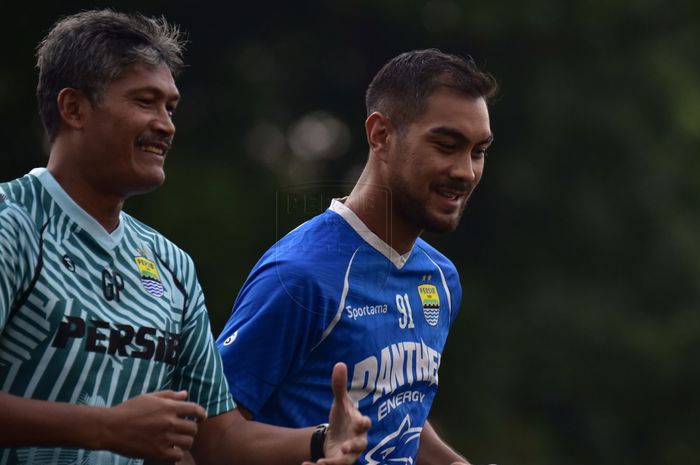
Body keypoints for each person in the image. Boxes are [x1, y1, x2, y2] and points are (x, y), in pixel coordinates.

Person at [0, 9, 370, 465]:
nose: (166, 124)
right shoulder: (12, 224)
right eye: (144, 101)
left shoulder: (171, 265)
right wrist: (104, 427)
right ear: (73, 107)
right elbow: (115, 429)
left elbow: (218, 439)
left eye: (170, 107)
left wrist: (318, 441)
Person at [216, 49, 497, 464]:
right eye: (446, 145)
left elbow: (398, 411)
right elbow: (209, 438)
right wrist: (319, 442)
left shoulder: (440, 277)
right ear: (380, 135)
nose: (466, 171)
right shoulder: (300, 276)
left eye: (478, 151)